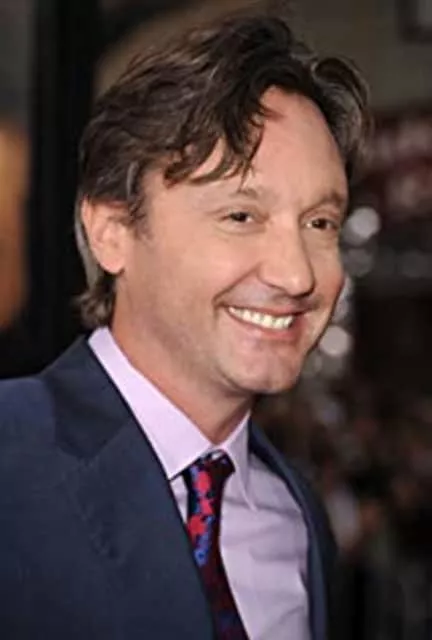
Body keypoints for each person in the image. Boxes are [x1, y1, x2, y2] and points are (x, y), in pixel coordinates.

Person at [0, 7, 371, 640]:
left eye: (320, 223)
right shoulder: (12, 459)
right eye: (241, 216)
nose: (297, 275)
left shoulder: (297, 518)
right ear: (112, 231)